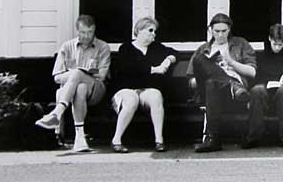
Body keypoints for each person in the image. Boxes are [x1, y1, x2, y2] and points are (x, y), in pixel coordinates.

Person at [34, 14, 111, 152]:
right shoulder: (67, 47)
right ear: (77, 30)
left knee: (77, 73)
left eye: (90, 32)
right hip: (75, 91)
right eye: (83, 32)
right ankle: (80, 138)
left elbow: (102, 75)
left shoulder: (103, 47)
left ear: (94, 30)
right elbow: (57, 77)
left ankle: (57, 112)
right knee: (80, 87)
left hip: (96, 88)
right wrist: (75, 77)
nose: (87, 36)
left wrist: (81, 73)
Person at [187, 13, 257, 153]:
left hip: (233, 94)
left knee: (212, 83)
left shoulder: (240, 44)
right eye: (216, 31)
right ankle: (231, 85)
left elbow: (252, 72)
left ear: (229, 30)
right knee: (200, 61)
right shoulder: (203, 49)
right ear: (210, 30)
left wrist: (230, 62)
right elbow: (192, 82)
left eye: (224, 31)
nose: (220, 35)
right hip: (212, 92)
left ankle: (213, 140)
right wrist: (210, 70)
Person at [109, 17, 177, 153]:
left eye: (155, 31)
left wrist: (167, 61)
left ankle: (159, 140)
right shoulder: (126, 48)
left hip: (145, 90)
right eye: (150, 30)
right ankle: (116, 140)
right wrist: (154, 69)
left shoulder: (156, 48)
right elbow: (129, 68)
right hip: (125, 90)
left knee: (156, 95)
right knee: (131, 99)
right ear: (139, 30)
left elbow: (174, 53)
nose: (154, 34)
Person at [244, 23, 283, 149]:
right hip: (263, 92)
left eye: (281, 44)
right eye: (275, 44)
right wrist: (267, 83)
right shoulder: (260, 57)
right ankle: (253, 136)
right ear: (270, 39)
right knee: (257, 89)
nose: (277, 47)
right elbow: (255, 78)